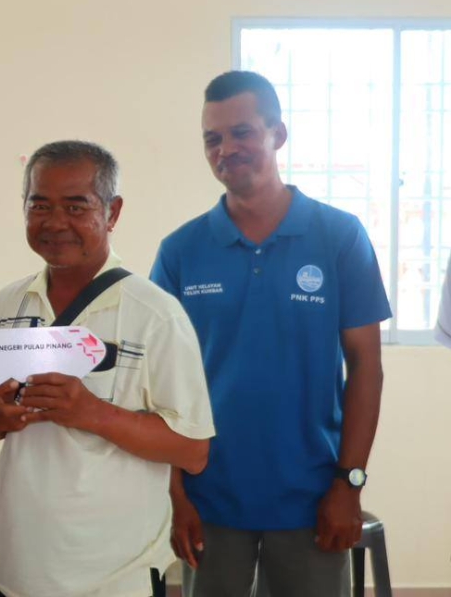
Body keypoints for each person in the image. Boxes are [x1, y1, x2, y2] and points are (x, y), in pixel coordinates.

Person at [150, 70, 391, 597]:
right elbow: (155, 382)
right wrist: (176, 496)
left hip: (311, 497)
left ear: (277, 135)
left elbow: (366, 367)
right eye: (212, 139)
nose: (226, 149)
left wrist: (349, 484)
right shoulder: (181, 251)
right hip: (210, 498)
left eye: (242, 133)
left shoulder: (339, 236)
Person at [0, 140, 215, 597]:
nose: (56, 222)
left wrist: (91, 412)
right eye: (39, 205)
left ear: (113, 212)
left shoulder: (155, 313)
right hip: (17, 567)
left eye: (76, 206)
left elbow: (193, 450)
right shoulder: (7, 304)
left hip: (115, 578)